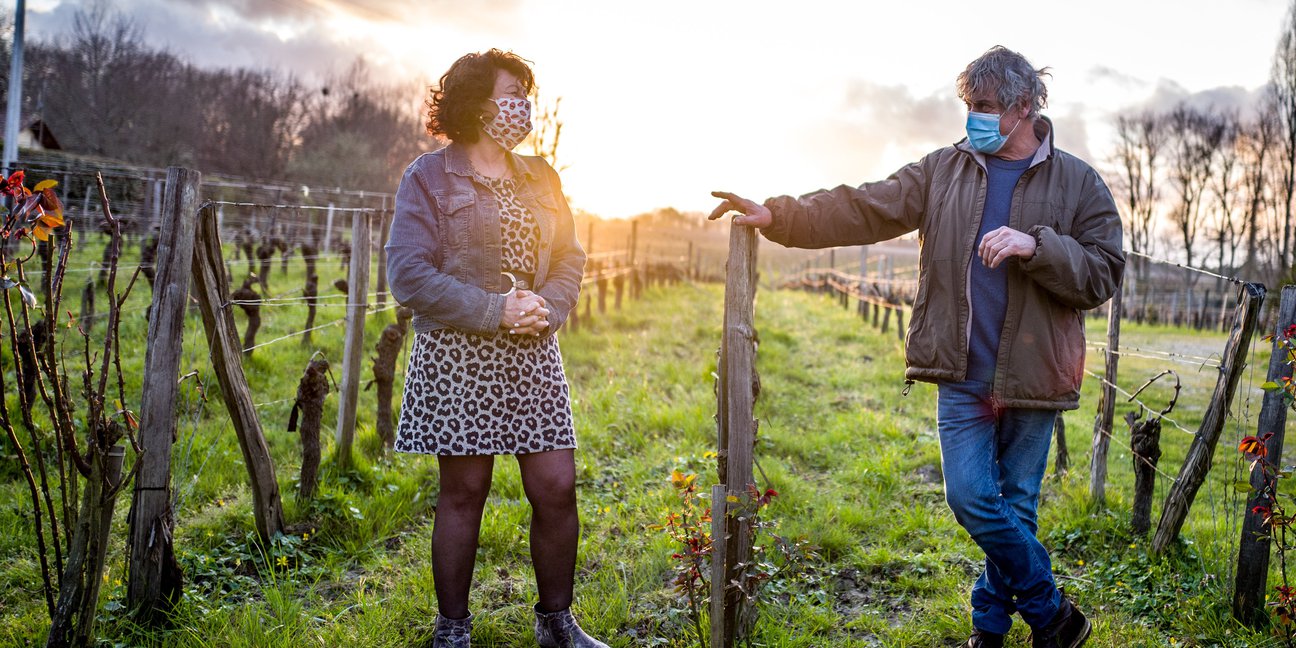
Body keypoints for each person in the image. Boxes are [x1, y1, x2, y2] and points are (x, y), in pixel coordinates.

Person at [710, 46, 1122, 648]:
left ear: (1025, 106)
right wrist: (781, 215)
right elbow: (863, 206)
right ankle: (1054, 613)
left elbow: (1105, 274)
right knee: (974, 499)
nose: (972, 118)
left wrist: (1037, 248)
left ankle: (990, 632)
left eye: (984, 107)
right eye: (968, 106)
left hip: (1035, 375)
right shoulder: (942, 170)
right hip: (961, 373)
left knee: (1017, 509)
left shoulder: (1079, 183)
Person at [386, 48, 606, 648]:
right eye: (512, 93)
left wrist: (547, 308)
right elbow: (408, 275)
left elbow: (568, 257)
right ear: (478, 103)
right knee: (463, 491)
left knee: (557, 486)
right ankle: (452, 631)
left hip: (532, 352)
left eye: (525, 95)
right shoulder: (428, 177)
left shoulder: (542, 177)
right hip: (459, 356)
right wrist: (494, 308)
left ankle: (557, 624)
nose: (522, 107)